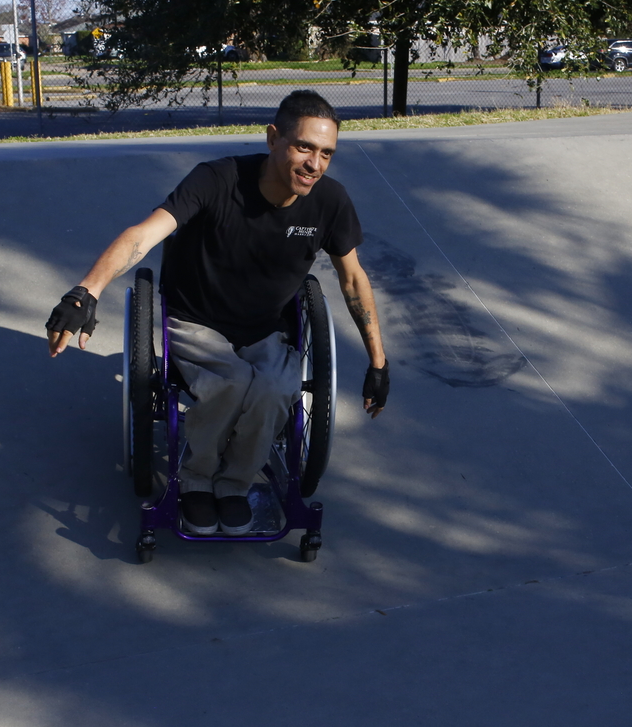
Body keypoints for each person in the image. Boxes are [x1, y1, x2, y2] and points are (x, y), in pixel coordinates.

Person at [46, 90, 389, 536]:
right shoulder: (216, 181)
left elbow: (353, 279)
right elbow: (143, 235)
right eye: (304, 147)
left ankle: (233, 485)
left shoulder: (330, 202)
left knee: (275, 387)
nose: (315, 164)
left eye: (326, 153)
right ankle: (196, 481)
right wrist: (85, 291)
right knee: (231, 383)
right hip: (195, 321)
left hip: (264, 329)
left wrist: (378, 363)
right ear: (273, 138)